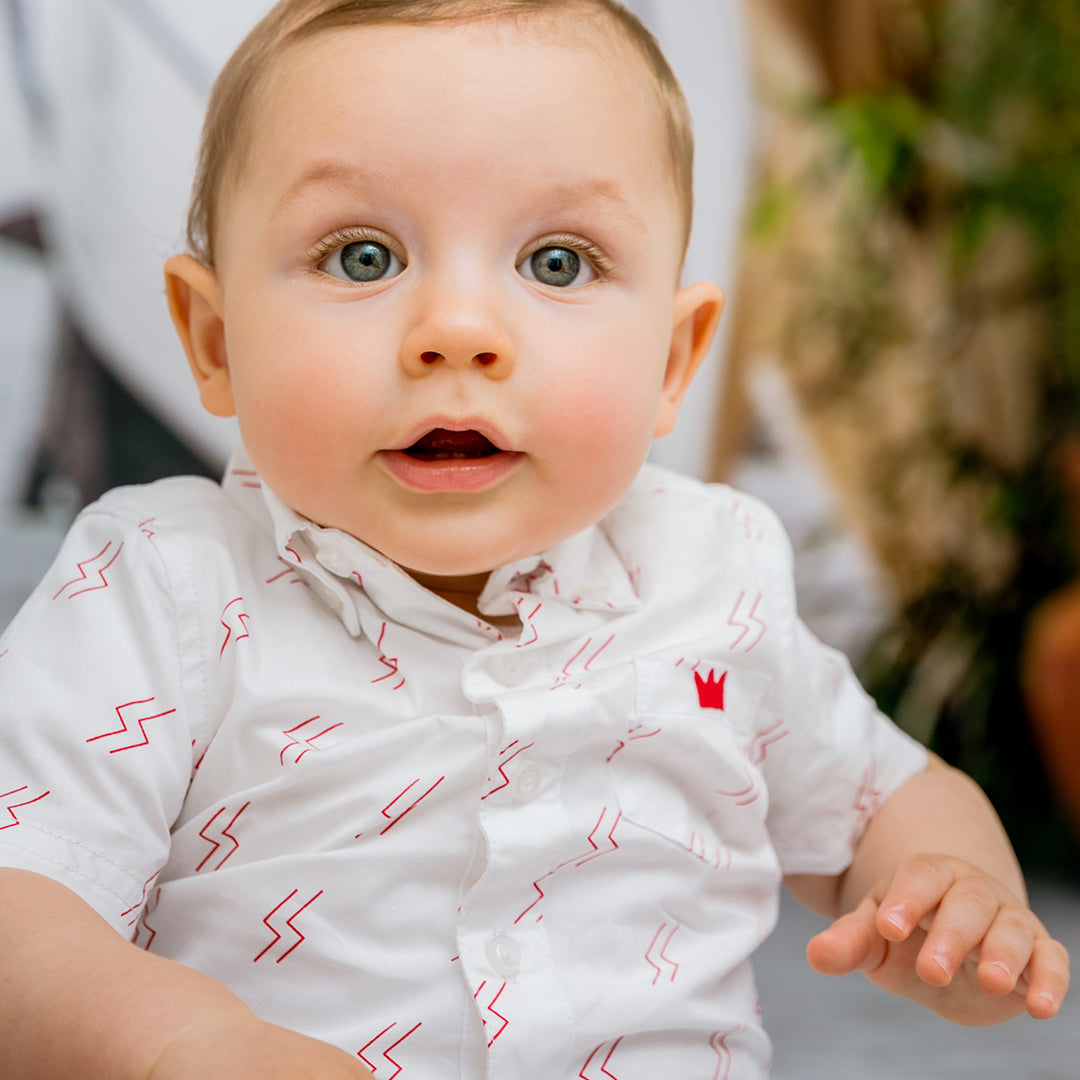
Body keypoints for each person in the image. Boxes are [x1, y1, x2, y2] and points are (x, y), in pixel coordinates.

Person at [0, 1, 1069, 1077]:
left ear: (671, 361)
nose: (457, 331)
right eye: (363, 256)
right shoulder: (164, 588)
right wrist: (181, 1043)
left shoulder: (712, 576)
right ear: (217, 338)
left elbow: (888, 789)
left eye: (557, 263)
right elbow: (21, 900)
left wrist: (951, 886)